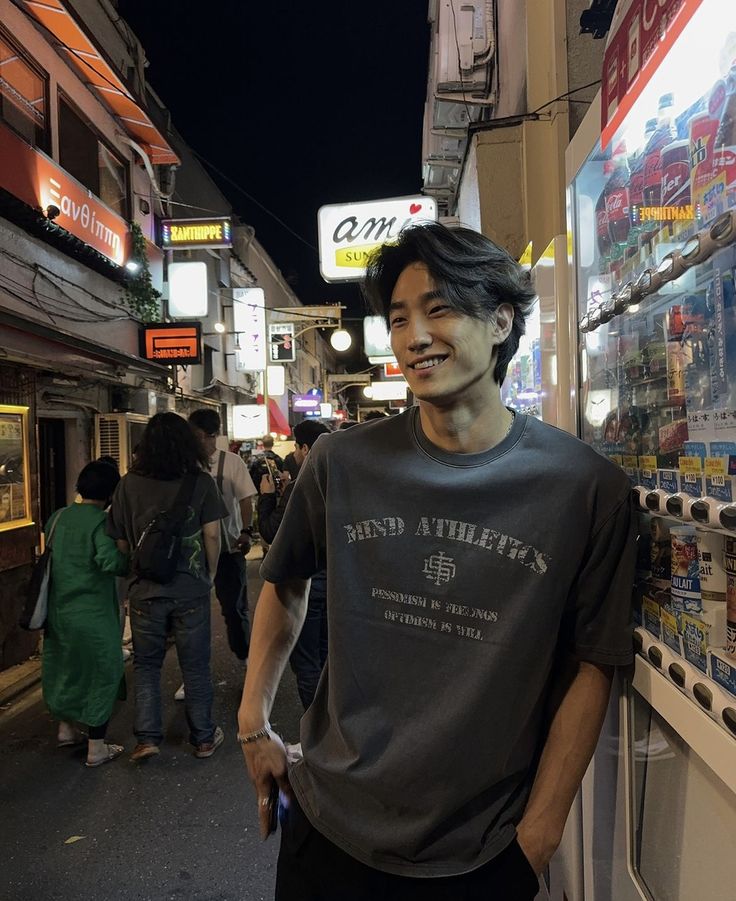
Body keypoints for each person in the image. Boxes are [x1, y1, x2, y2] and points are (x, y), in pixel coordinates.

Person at [237, 222, 637, 901]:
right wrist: (253, 725)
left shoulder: (586, 489)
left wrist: (537, 840)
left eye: (439, 309)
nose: (414, 336)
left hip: (479, 854)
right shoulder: (342, 462)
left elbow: (593, 662)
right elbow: (284, 580)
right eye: (398, 319)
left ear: (502, 319)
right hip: (328, 829)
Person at [108, 412, 226, 762]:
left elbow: (121, 544)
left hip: (145, 591)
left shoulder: (127, 484)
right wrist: (210, 574)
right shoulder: (201, 482)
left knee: (146, 665)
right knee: (195, 666)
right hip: (190, 590)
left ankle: (146, 738)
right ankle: (203, 738)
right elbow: (213, 535)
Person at [42, 461, 129, 767]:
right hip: (93, 614)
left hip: (58, 611)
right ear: (110, 493)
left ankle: (66, 729)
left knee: (67, 668)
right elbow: (109, 562)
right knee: (104, 671)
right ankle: (96, 748)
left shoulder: (58, 517)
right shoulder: (100, 523)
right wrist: (129, 558)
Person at [257, 420, 331, 710]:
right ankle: (332, 726)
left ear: (304, 448)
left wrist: (266, 498)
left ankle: (316, 732)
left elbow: (271, 531)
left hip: (305, 586)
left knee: (307, 663)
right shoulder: (339, 479)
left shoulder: (301, 486)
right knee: (327, 658)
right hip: (333, 581)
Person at [188, 408, 257, 668]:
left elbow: (246, 500)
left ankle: (246, 658)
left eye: (199, 436)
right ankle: (194, 670)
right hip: (195, 552)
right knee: (194, 613)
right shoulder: (187, 464)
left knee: (234, 608)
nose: (195, 441)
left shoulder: (232, 462)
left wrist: (246, 531)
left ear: (212, 435)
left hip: (228, 550)